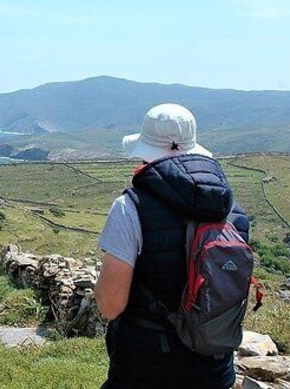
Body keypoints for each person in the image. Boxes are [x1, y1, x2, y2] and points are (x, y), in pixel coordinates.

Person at [94, 103, 250, 389]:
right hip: (215, 371)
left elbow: (110, 305)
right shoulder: (233, 212)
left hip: (145, 370)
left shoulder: (130, 207)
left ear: (146, 151)